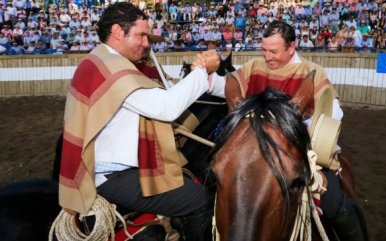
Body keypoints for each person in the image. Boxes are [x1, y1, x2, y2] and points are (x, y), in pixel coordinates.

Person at [58, 3, 221, 241]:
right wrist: (202, 71)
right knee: (201, 199)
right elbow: (167, 108)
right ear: (116, 32)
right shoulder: (113, 69)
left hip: (104, 169)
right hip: (113, 176)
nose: (146, 43)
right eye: (141, 35)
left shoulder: (98, 61)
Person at [195, 20, 366, 241]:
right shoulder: (254, 67)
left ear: (292, 47)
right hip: (256, 149)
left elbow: (334, 111)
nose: (267, 57)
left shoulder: (312, 71)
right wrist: (204, 74)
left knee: (336, 203)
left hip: (300, 148)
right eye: (264, 50)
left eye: (273, 51)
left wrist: (290, 129)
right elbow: (225, 86)